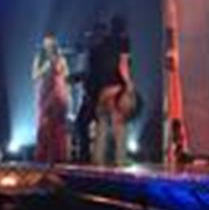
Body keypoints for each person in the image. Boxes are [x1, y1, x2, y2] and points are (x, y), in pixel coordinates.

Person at [92, 16, 137, 166]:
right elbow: (123, 65)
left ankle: (97, 160)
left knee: (102, 126)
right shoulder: (123, 42)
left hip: (102, 89)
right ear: (123, 28)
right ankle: (120, 159)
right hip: (116, 88)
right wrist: (129, 83)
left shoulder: (102, 43)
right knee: (120, 124)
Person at [69, 22, 108, 162]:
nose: (91, 38)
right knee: (86, 123)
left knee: (83, 123)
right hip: (95, 94)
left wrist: (78, 78)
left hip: (96, 94)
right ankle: (90, 154)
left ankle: (87, 155)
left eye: (94, 35)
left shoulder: (99, 53)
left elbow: (94, 75)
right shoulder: (97, 51)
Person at [32, 33, 70, 163]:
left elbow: (66, 76)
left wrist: (67, 95)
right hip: (45, 92)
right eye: (46, 44)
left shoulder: (61, 58)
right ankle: (44, 155)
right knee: (44, 123)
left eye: (51, 44)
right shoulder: (40, 58)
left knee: (58, 124)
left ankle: (59, 155)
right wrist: (45, 67)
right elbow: (34, 76)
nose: (48, 46)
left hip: (58, 92)